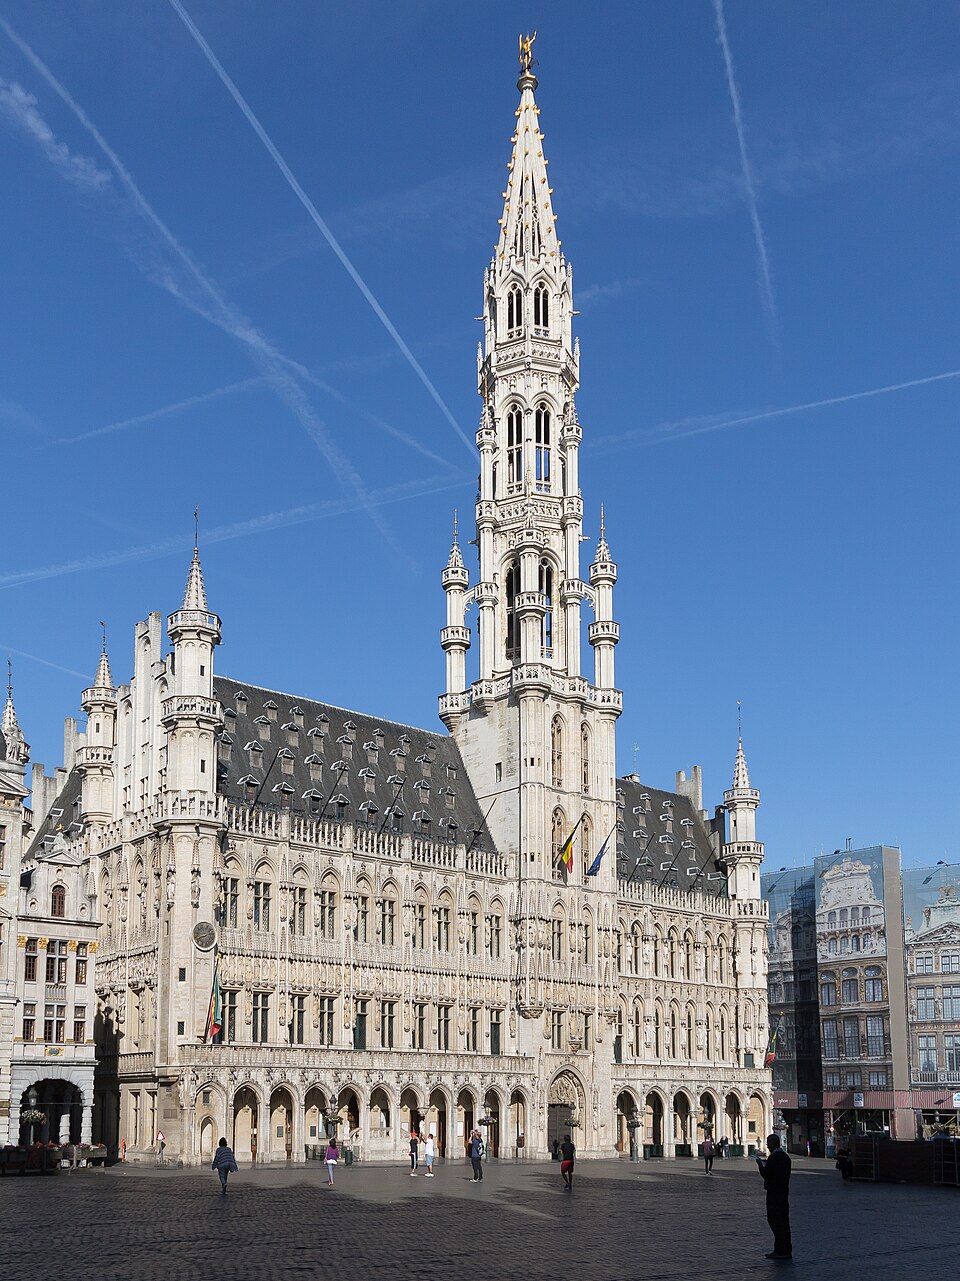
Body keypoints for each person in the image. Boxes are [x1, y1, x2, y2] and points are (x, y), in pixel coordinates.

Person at [756, 1133, 792, 1260]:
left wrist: (760, 1165)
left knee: (775, 1222)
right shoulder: (786, 1157)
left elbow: (767, 1174)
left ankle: (780, 1250)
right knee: (784, 1222)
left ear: (772, 1144)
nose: (767, 1145)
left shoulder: (773, 1158)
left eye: (768, 1143)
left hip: (774, 1194)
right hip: (783, 1193)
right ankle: (786, 1249)